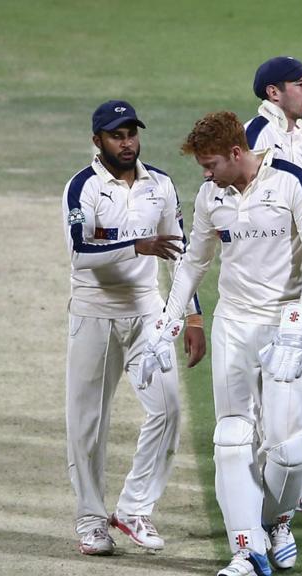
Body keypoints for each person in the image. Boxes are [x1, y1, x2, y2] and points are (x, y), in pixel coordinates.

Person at [139, 111, 302, 576]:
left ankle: (276, 521)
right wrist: (166, 325)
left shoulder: (292, 181)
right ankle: (246, 548)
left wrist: (299, 322)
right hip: (235, 322)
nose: (205, 175)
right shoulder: (211, 195)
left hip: (285, 326)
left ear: (236, 152)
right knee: (231, 436)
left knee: (287, 450)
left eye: (210, 164)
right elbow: (193, 263)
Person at [61, 100, 205, 555]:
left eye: (131, 134)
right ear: (97, 140)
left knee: (168, 409)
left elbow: (185, 256)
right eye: (116, 136)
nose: (127, 143)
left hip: (148, 315)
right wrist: (135, 245)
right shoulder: (82, 187)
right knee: (87, 424)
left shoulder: (160, 184)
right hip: (93, 315)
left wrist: (194, 314)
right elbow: (81, 252)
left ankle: (133, 508)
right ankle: (90, 520)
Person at [246, 56, 302, 516]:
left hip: (293, 279)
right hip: (272, 286)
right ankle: (284, 490)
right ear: (273, 93)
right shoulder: (260, 138)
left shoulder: (293, 136)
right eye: (299, 83)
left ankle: (294, 478)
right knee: (280, 388)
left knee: (289, 386)